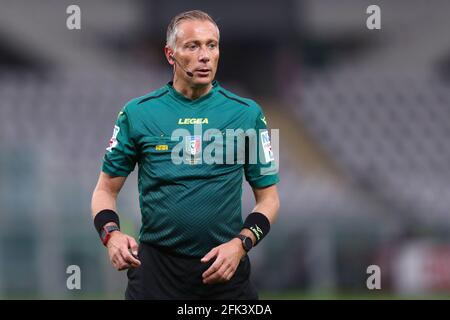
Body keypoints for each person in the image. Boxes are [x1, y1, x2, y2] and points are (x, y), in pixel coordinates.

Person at [90, 10, 280, 300]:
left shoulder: (246, 114)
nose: (205, 55)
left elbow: (269, 199)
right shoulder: (138, 113)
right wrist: (111, 235)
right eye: (193, 46)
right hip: (156, 274)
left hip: (225, 272)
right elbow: (105, 189)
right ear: (170, 54)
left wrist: (241, 244)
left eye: (211, 45)